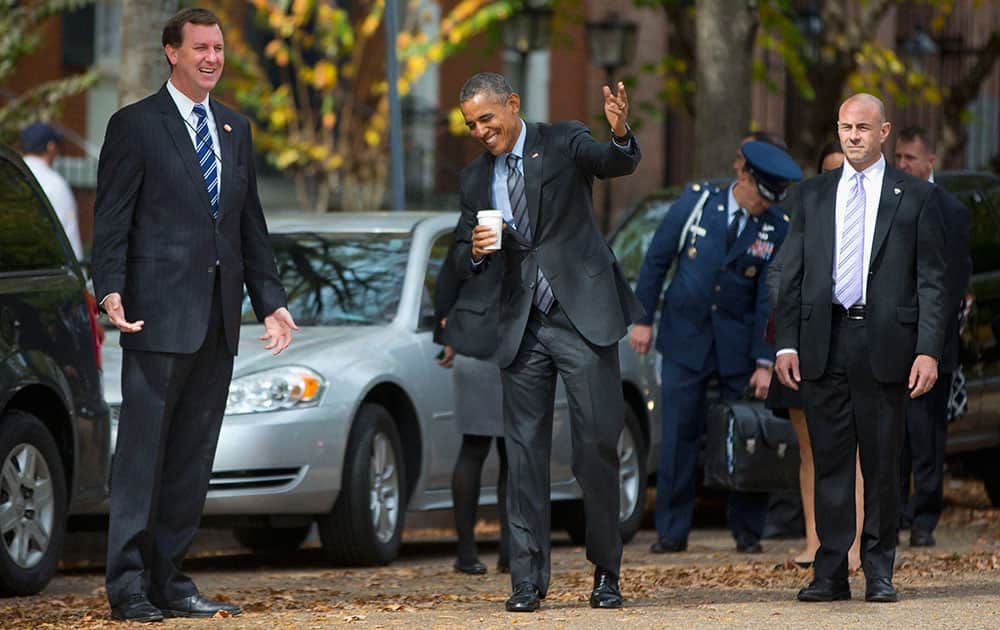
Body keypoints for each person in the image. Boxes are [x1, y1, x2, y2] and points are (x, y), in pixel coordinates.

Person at [92, 8, 297, 623]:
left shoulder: (236, 129)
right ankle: (128, 585)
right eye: (201, 47)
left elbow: (248, 227)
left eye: (219, 48)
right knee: (142, 458)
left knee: (190, 460)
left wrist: (273, 302)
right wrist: (110, 290)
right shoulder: (134, 125)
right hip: (154, 319)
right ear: (171, 52)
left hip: (217, 322)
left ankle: (171, 581)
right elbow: (112, 221)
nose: (213, 58)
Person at [452, 72, 643, 612]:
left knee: (596, 448)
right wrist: (476, 251)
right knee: (523, 455)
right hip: (521, 325)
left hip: (582, 317)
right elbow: (462, 254)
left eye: (487, 118)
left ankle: (606, 572)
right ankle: (527, 581)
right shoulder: (473, 179)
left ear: (512, 105)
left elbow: (613, 163)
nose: (480, 130)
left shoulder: (562, 140)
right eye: (471, 124)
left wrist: (620, 130)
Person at [774, 93, 947, 604]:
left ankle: (878, 570)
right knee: (829, 463)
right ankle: (830, 572)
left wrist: (928, 349)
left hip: (885, 344)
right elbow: (791, 273)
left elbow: (932, 281)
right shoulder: (811, 195)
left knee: (881, 466)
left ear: (884, 131)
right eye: (845, 126)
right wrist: (785, 343)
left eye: (863, 127)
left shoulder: (915, 197)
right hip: (822, 341)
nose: (852, 135)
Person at [630, 140, 802, 556]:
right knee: (679, 436)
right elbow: (656, 260)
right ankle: (672, 530)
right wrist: (641, 318)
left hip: (738, 347)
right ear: (743, 175)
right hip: (685, 337)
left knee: (748, 434)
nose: (765, 204)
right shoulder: (697, 204)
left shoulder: (775, 228)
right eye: (761, 194)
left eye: (772, 198)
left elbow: (769, 297)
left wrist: (765, 359)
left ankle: (747, 530)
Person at [765, 140, 865, 572]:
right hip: (807, 346)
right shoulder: (808, 212)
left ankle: (856, 547)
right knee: (810, 453)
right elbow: (780, 273)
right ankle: (813, 540)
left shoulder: (872, 217)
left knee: (856, 454)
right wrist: (798, 314)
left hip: (856, 344)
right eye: (830, 171)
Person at [894, 126, 971, 547]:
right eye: (898, 157)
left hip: (932, 343)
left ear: (930, 162)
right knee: (894, 435)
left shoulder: (951, 210)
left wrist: (934, 350)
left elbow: (953, 282)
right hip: (892, 337)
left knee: (926, 437)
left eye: (910, 158)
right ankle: (895, 512)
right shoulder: (889, 199)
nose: (902, 165)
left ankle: (924, 517)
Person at [432, 243, 510, 575]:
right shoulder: (527, 210)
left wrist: (445, 334)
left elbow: (448, 277)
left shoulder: (476, 210)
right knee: (505, 451)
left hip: (481, 337)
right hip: (495, 340)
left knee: (490, 449)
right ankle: (499, 553)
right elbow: (452, 272)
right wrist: (446, 335)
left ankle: (479, 553)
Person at [20, 122, 84, 261]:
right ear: (51, 146)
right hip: (44, 269)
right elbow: (69, 238)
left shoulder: (10, 175)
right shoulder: (56, 185)